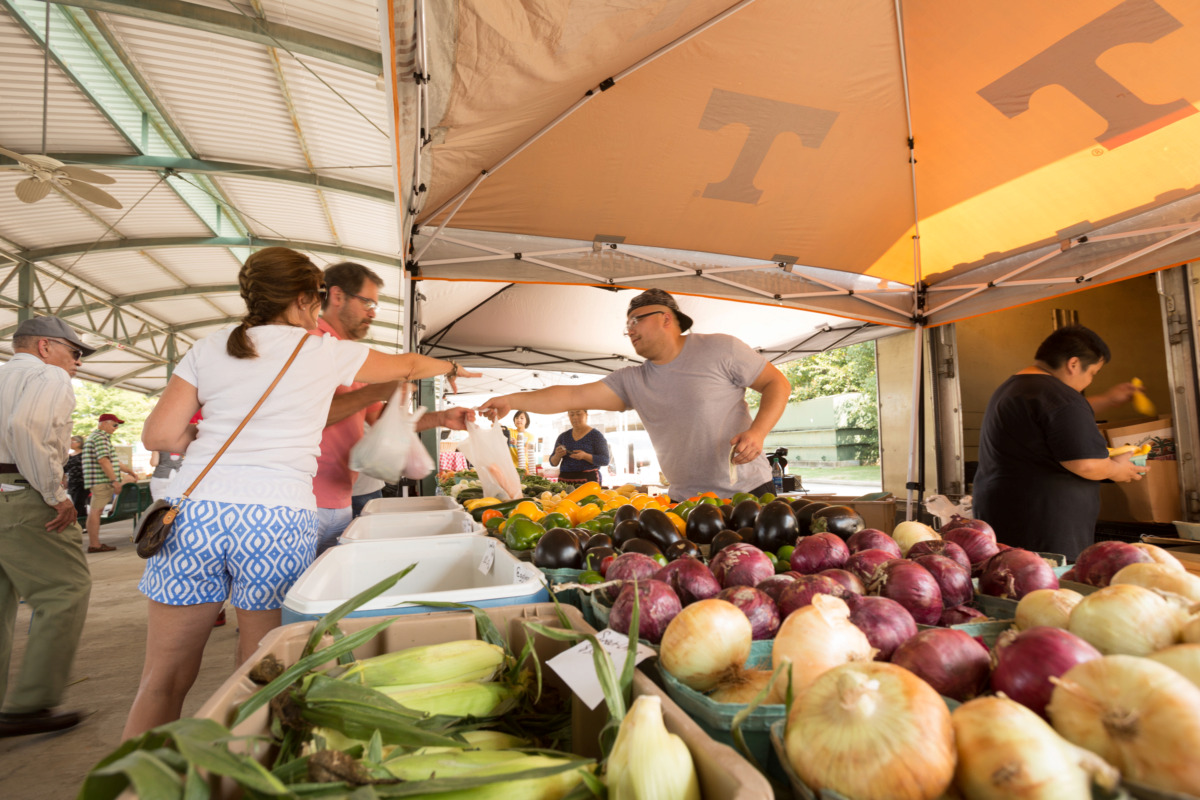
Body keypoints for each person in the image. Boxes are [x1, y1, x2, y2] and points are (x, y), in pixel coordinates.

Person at [122, 246, 479, 738]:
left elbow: (158, 436)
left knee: (161, 678)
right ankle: (233, 770)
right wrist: (451, 370)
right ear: (304, 298)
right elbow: (409, 365)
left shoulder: (206, 348)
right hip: (276, 518)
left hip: (193, 515)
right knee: (260, 671)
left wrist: (212, 445)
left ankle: (133, 785)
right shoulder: (324, 350)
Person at [481, 288, 791, 500]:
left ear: (666, 318)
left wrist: (758, 432)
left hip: (748, 492)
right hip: (684, 501)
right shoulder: (633, 380)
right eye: (627, 324)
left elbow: (777, 384)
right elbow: (571, 396)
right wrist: (513, 400)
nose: (629, 330)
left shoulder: (721, 348)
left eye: (635, 321)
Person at [310, 262, 474, 554]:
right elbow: (306, 416)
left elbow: (380, 423)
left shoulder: (352, 359)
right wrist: (451, 367)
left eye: (376, 305)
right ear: (337, 296)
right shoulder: (316, 344)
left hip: (339, 496)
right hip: (309, 498)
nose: (372, 312)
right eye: (367, 302)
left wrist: (439, 418)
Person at [972, 325, 1144, 560]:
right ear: (1073, 364)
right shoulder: (1060, 397)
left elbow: (1055, 418)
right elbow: (1086, 464)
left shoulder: (1016, 387)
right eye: (1093, 373)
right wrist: (1118, 470)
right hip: (1045, 527)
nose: (1090, 381)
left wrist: (1108, 400)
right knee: (1045, 589)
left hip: (1009, 516)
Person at [0, 316, 94, 737]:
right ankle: (30, 704)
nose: (76, 363)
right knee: (65, 589)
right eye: (74, 353)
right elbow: (26, 430)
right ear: (44, 347)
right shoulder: (49, 377)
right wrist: (55, 493)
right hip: (23, 494)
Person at [81, 413, 137, 553]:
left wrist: (130, 472)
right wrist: (114, 480)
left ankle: (95, 543)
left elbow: (113, 461)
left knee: (95, 511)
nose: (116, 428)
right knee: (96, 511)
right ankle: (95, 544)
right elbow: (103, 460)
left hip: (99, 480)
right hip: (102, 481)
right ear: (104, 423)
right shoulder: (100, 438)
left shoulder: (98, 438)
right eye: (115, 424)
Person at [550, 410, 611, 486]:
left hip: (589, 481)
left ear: (586, 415)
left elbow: (605, 460)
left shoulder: (596, 436)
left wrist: (585, 456)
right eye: (571, 415)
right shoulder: (563, 437)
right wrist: (557, 455)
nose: (575, 417)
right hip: (565, 481)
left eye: (578, 414)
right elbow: (553, 463)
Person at [63, 435, 87, 517]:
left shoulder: (85, 454)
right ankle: (84, 520)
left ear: (79, 443)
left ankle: (81, 521)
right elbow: (64, 469)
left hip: (83, 482)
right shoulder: (69, 456)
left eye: (73, 442)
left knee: (79, 503)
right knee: (76, 503)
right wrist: (64, 480)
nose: (70, 443)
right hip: (73, 482)